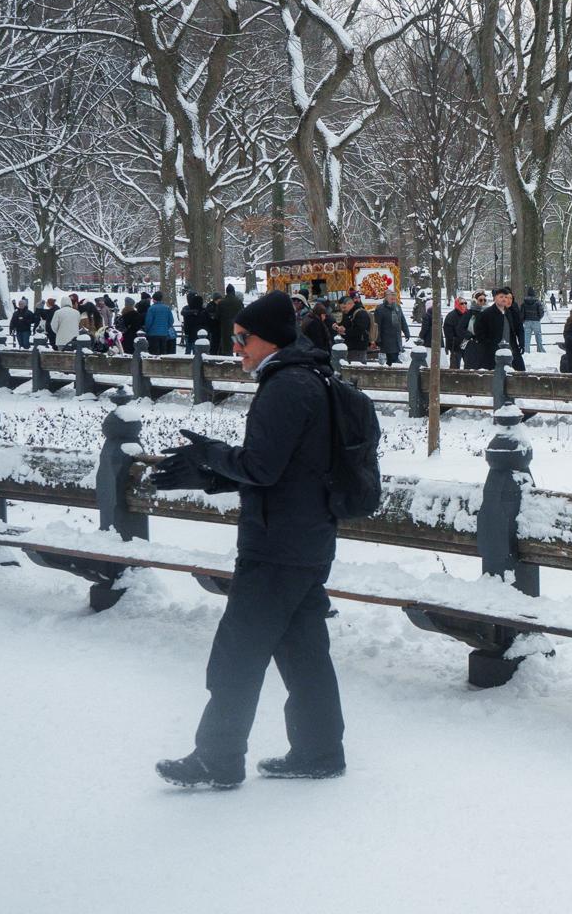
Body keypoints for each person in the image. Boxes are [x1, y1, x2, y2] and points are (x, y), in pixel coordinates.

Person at [149, 290, 347, 788]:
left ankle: (218, 757)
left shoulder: (285, 387)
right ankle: (320, 750)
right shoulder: (312, 378)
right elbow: (286, 468)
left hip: (277, 544)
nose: (236, 347)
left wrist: (210, 456)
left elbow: (261, 466)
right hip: (307, 536)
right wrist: (210, 474)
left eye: (243, 338)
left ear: (270, 339)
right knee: (304, 650)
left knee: (238, 652)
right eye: (233, 338)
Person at [373, 291, 408, 365]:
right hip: (386, 338)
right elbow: (377, 325)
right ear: (386, 298)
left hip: (397, 338)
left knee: (395, 358)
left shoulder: (397, 307)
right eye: (391, 299)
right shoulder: (380, 309)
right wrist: (377, 339)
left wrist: (406, 332)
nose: (393, 301)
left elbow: (402, 320)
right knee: (391, 359)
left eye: (394, 299)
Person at [339, 294, 373, 364]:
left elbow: (359, 330)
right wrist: (338, 327)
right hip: (351, 347)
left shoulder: (361, 313)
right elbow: (346, 325)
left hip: (358, 348)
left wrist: (345, 332)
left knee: (357, 370)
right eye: (341, 308)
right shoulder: (349, 313)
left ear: (350, 304)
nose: (342, 310)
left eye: (344, 307)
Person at [213, 285, 244, 355]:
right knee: (238, 347)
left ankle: (227, 363)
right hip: (237, 327)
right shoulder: (239, 302)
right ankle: (238, 363)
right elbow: (243, 315)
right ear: (233, 291)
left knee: (227, 350)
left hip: (225, 328)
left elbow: (217, 316)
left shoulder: (221, 303)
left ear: (226, 292)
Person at [520, 286, 546, 353]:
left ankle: (526, 350)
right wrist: (538, 318)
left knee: (527, 337)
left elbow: (522, 313)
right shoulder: (538, 302)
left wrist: (523, 320)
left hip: (527, 321)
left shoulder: (524, 303)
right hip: (536, 321)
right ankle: (540, 349)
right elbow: (541, 312)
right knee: (538, 336)